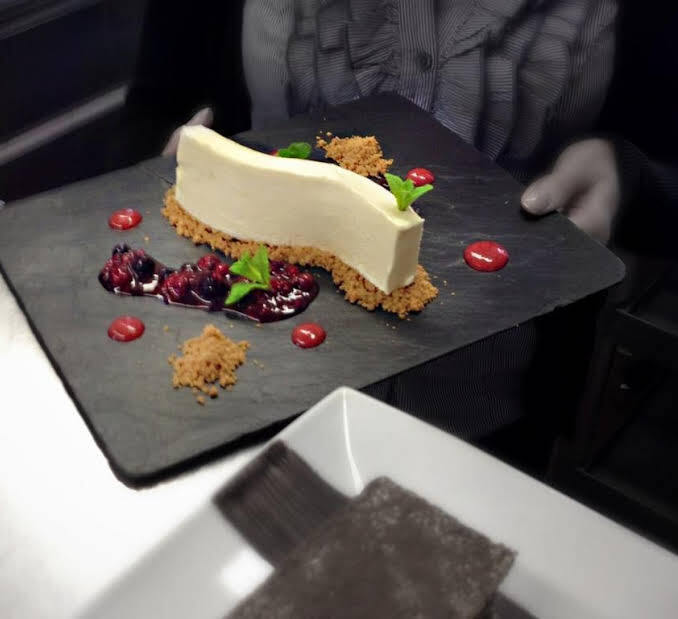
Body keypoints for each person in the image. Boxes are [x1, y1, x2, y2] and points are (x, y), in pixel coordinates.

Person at [136, 0, 676, 470]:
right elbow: (153, 111)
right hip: (244, 386)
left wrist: (629, 176)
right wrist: (164, 167)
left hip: (490, 406)